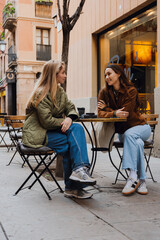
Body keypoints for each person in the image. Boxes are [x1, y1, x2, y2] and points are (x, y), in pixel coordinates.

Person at [22, 60, 96, 199]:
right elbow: (47, 122)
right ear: (53, 75)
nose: (65, 75)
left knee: (73, 136)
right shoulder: (41, 93)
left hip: (52, 130)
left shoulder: (60, 91)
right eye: (63, 72)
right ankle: (74, 182)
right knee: (73, 137)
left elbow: (71, 108)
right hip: (37, 133)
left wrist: (69, 118)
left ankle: (77, 176)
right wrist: (65, 120)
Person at [97, 64, 151, 196]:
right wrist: (114, 113)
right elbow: (99, 113)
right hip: (124, 133)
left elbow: (125, 113)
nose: (107, 77)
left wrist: (109, 110)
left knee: (130, 135)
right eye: (105, 75)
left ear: (119, 74)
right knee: (137, 143)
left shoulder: (131, 91)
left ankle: (132, 177)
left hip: (142, 128)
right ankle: (142, 181)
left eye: (109, 74)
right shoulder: (104, 92)